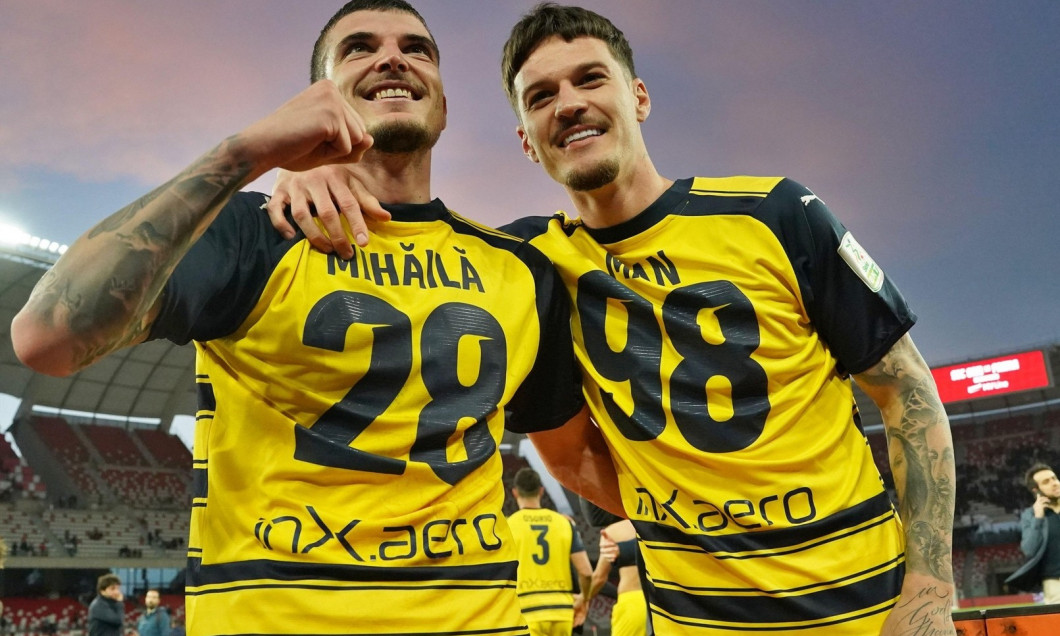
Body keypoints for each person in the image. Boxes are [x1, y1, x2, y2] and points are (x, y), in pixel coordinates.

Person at [270, 3, 956, 634]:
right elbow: (566, 451)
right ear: (526, 142)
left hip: (867, 606)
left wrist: (929, 587)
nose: (568, 105)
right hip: (693, 620)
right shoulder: (528, 266)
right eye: (541, 97)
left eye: (590, 79)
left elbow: (907, 392)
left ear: (639, 97)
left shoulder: (775, 213)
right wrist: (312, 176)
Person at [10, 1, 621, 634]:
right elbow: (47, 337)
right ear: (317, 97)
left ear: (442, 103)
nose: (393, 57)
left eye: (418, 50)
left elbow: (572, 453)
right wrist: (243, 153)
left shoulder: (521, 270)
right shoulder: (253, 233)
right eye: (359, 48)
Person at [508, 467, 593, 636]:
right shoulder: (563, 523)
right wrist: (584, 598)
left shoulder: (508, 526)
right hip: (562, 611)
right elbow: (586, 573)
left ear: (515, 493)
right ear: (541, 491)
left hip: (526, 611)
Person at [1004, 463, 1060, 601]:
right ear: (1036, 490)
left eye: (1054, 478)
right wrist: (1038, 517)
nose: (1054, 483)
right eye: (1046, 482)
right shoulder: (1030, 515)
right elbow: (1029, 549)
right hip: (1055, 582)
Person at [584, 520, 646, 636]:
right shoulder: (665, 526)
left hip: (633, 602)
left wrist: (582, 599)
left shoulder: (615, 531)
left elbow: (599, 578)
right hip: (665, 601)